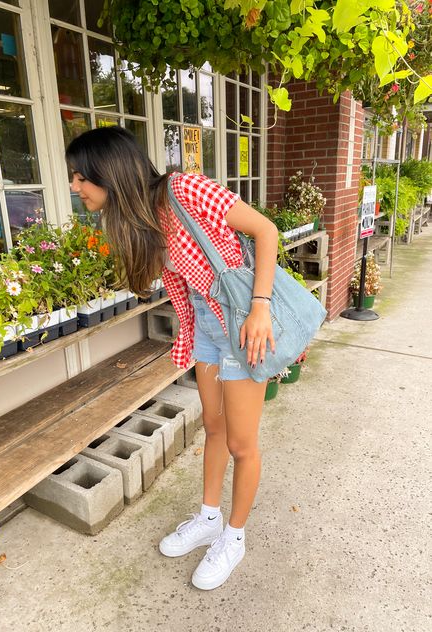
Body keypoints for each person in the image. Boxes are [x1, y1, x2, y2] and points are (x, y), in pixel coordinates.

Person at [66, 126, 278, 591]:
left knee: (243, 443)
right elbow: (183, 288)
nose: (75, 186)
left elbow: (266, 229)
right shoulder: (142, 220)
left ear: (110, 171)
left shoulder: (185, 188)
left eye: (81, 176)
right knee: (216, 428)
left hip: (243, 321)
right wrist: (188, 337)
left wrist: (261, 306)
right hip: (205, 326)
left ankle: (234, 537)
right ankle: (208, 517)